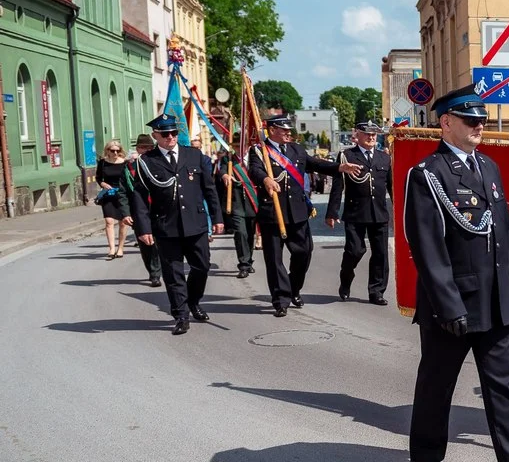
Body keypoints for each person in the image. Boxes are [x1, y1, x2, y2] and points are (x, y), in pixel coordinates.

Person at [404, 85, 509, 462]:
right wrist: (449, 305)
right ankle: (425, 456)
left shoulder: (488, 167)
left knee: (502, 384)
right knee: (437, 383)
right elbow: (427, 247)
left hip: (493, 300)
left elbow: (504, 232)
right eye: (470, 120)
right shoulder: (427, 175)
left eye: (481, 120)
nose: (479, 126)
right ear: (445, 123)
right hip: (452, 304)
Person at [248, 112, 360, 317]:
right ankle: (280, 299)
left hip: (298, 212)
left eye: (289, 130)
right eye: (284, 130)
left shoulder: (296, 150)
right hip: (273, 213)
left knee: (304, 253)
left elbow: (316, 164)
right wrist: (265, 179)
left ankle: (293, 289)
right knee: (274, 260)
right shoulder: (259, 151)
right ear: (272, 130)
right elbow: (254, 170)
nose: (288, 133)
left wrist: (340, 167)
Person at [128, 114, 225, 335]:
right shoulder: (146, 162)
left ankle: (193, 301)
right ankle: (181, 315)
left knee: (202, 267)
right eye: (165, 134)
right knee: (173, 274)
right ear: (156, 136)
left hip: (196, 223)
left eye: (174, 133)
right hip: (165, 225)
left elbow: (209, 189)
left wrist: (218, 218)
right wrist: (143, 229)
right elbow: (140, 198)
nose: (171, 137)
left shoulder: (194, 155)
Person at [326, 120, 393, 305]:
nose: (371, 137)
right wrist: (332, 212)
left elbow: (391, 187)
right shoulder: (347, 156)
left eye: (374, 134)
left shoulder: (384, 158)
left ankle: (376, 291)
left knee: (381, 254)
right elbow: (338, 187)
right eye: (367, 134)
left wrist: (399, 210)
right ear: (358, 135)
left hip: (379, 213)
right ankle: (345, 279)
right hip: (356, 212)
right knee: (355, 250)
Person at [121, 134, 162, 286]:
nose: (146, 150)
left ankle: (164, 268)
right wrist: (125, 213)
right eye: (143, 147)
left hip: (159, 209)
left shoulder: (160, 163)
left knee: (161, 242)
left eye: (150, 147)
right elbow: (122, 192)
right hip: (138, 212)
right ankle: (154, 273)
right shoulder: (129, 168)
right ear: (137, 149)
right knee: (146, 244)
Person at [216, 132, 258, 279]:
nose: (240, 148)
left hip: (253, 202)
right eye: (236, 145)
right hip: (237, 202)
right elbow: (220, 171)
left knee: (250, 234)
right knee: (240, 233)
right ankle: (244, 265)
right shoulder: (228, 159)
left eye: (242, 145)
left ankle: (249, 260)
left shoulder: (255, 159)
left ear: (247, 145)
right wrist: (225, 175)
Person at [96, 139, 131, 259]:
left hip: (122, 196)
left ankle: (120, 248)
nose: (115, 153)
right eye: (113, 151)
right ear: (108, 151)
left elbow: (130, 178)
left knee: (123, 223)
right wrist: (102, 184)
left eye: (118, 150)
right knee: (109, 221)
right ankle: (111, 248)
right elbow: (98, 177)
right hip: (108, 195)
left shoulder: (125, 163)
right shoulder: (103, 163)